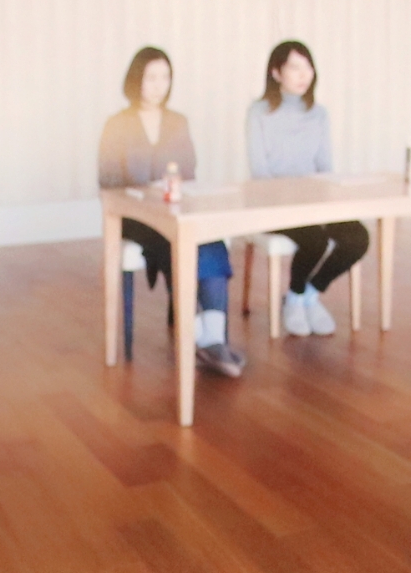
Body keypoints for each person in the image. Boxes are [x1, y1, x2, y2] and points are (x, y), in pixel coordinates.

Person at [99, 45, 242, 376]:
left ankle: (212, 339)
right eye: (151, 78)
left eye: (165, 77)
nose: (158, 85)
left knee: (210, 240)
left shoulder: (178, 122)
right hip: (136, 215)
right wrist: (144, 192)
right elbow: (107, 181)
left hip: (174, 207)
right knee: (173, 242)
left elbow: (188, 171)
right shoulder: (117, 124)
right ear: (136, 80)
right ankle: (199, 338)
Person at [242, 39, 370, 337]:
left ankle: (306, 296)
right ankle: (295, 300)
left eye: (308, 67)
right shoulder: (258, 112)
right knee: (315, 240)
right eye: (294, 68)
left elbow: (325, 167)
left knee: (358, 237)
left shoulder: (319, 114)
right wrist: (293, 200)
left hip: (313, 202)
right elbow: (260, 171)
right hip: (272, 202)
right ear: (276, 73)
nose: (304, 75)